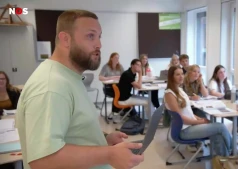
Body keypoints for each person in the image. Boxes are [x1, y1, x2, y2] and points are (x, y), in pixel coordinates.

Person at [16, 10, 144, 169]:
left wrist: (102, 141)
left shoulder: (69, 77)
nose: (99, 44)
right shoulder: (51, 86)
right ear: (65, 39)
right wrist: (108, 154)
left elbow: (73, 135)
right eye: (91, 36)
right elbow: (43, 160)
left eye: (99, 36)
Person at [164, 66, 232, 156]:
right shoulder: (169, 93)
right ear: (171, 77)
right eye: (177, 74)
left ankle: (224, 160)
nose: (181, 76)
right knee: (220, 127)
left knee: (217, 134)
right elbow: (181, 118)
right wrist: (199, 122)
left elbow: (188, 112)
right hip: (184, 130)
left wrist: (200, 119)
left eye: (182, 74)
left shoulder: (179, 90)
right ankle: (232, 152)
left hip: (189, 125)